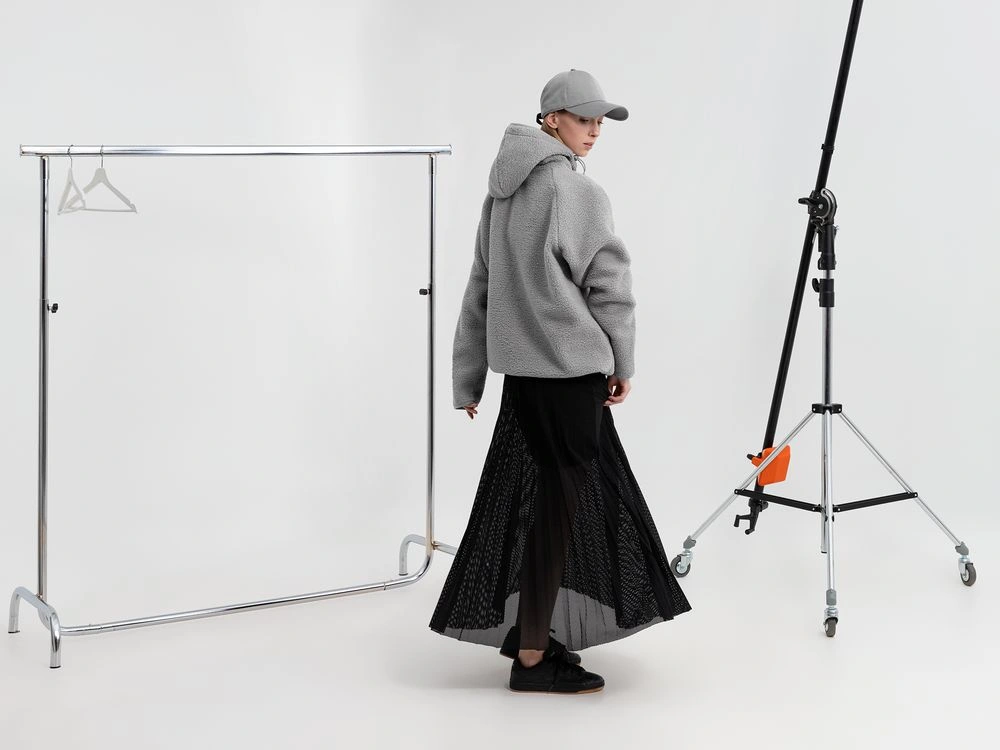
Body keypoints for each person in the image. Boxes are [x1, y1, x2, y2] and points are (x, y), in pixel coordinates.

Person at [428, 69, 692, 694]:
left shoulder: (501, 193)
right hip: (570, 377)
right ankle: (530, 658)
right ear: (550, 119)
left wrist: (469, 379)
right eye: (583, 118)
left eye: (600, 120)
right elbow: (611, 287)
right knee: (557, 512)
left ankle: (533, 634)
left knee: (543, 505)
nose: (594, 130)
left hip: (523, 381)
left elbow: (480, 287)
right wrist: (622, 364)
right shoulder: (576, 192)